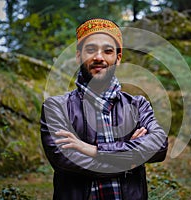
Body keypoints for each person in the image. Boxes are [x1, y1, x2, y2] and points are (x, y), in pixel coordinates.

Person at [40, 18, 168, 200]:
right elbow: (64, 161)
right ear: (78, 56)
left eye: (108, 51)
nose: (99, 57)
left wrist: (93, 150)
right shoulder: (56, 108)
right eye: (91, 50)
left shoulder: (138, 105)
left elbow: (159, 146)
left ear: (118, 57)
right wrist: (131, 158)